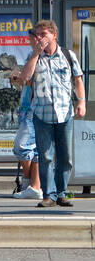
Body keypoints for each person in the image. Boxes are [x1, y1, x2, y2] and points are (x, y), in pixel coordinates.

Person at [20, 19, 86, 208]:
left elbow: (78, 79)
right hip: (42, 114)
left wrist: (81, 102)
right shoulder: (34, 56)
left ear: (54, 35)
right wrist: (35, 53)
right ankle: (49, 195)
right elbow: (25, 77)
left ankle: (62, 193)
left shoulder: (68, 55)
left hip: (65, 113)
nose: (40, 38)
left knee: (65, 157)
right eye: (38, 35)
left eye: (44, 34)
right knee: (46, 156)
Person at [10, 66, 43, 200]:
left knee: (21, 147)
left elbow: (31, 78)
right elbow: (27, 80)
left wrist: (23, 77)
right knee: (35, 150)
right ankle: (34, 186)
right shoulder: (35, 58)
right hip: (26, 112)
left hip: (32, 113)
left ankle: (28, 180)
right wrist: (21, 79)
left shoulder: (39, 61)